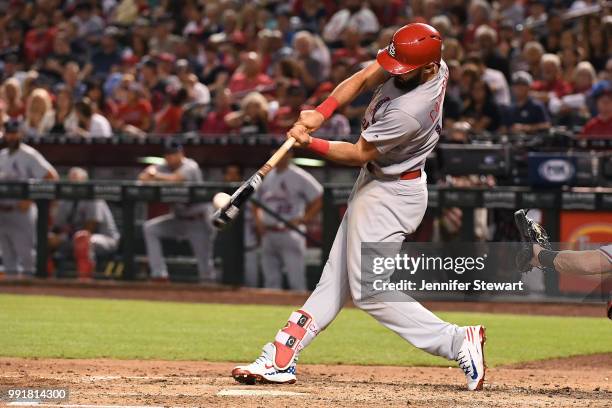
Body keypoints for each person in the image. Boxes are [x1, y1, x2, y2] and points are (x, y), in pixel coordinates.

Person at [232, 23, 486, 391]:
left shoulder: (412, 110)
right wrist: (322, 111)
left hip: (392, 193)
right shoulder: (429, 61)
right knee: (335, 280)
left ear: (429, 69)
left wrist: (311, 143)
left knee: (368, 288)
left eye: (405, 70)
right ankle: (281, 353)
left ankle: (457, 340)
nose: (396, 73)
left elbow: (358, 153)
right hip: (378, 183)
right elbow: (367, 75)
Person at [139, 141, 216, 282]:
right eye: (167, 155)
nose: (170, 158)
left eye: (173, 154)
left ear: (181, 154)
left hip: (198, 221)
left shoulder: (190, 166)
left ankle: (211, 295)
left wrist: (155, 175)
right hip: (178, 219)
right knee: (150, 229)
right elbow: (142, 178)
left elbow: (177, 179)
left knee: (205, 268)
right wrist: (151, 172)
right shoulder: (164, 167)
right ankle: (159, 275)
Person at [254, 150, 322, 290]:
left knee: (296, 282)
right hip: (269, 232)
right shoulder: (266, 175)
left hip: (290, 232)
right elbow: (255, 202)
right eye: (275, 153)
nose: (278, 156)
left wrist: (304, 219)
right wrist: (258, 220)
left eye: (282, 153)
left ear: (290, 155)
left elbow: (319, 197)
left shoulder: (298, 175)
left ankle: (300, 311)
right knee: (270, 283)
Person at [0, 119, 58, 275]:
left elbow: (51, 176)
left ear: (20, 133)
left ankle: (35, 293)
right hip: (3, 214)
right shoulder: (2, 156)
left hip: (22, 214)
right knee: (8, 261)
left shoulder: (29, 154)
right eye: (9, 133)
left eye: (14, 133)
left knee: (28, 258)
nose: (11, 137)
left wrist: (31, 199)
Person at [49, 167, 119, 278]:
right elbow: (57, 226)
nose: (74, 185)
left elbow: (90, 228)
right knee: (47, 238)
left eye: (78, 182)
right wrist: (54, 237)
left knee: (82, 239)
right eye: (72, 181)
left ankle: (85, 279)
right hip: (72, 238)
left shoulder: (93, 196)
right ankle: (46, 278)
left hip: (104, 238)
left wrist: (63, 237)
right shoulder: (65, 200)